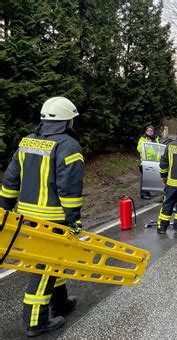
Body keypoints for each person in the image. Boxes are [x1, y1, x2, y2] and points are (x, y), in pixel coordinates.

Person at [0, 97, 84, 336]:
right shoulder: (68, 146)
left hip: (25, 217)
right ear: (67, 121)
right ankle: (36, 321)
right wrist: (74, 221)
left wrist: (4, 209)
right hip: (53, 218)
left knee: (54, 261)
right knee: (45, 268)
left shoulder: (27, 142)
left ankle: (61, 302)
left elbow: (10, 180)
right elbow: (69, 190)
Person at [137, 126, 159, 199]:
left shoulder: (155, 139)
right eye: (148, 130)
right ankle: (143, 194)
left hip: (154, 162)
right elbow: (139, 149)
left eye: (151, 131)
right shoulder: (143, 139)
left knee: (150, 178)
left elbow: (158, 149)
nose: (150, 132)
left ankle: (148, 192)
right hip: (146, 162)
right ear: (146, 132)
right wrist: (146, 143)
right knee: (144, 179)